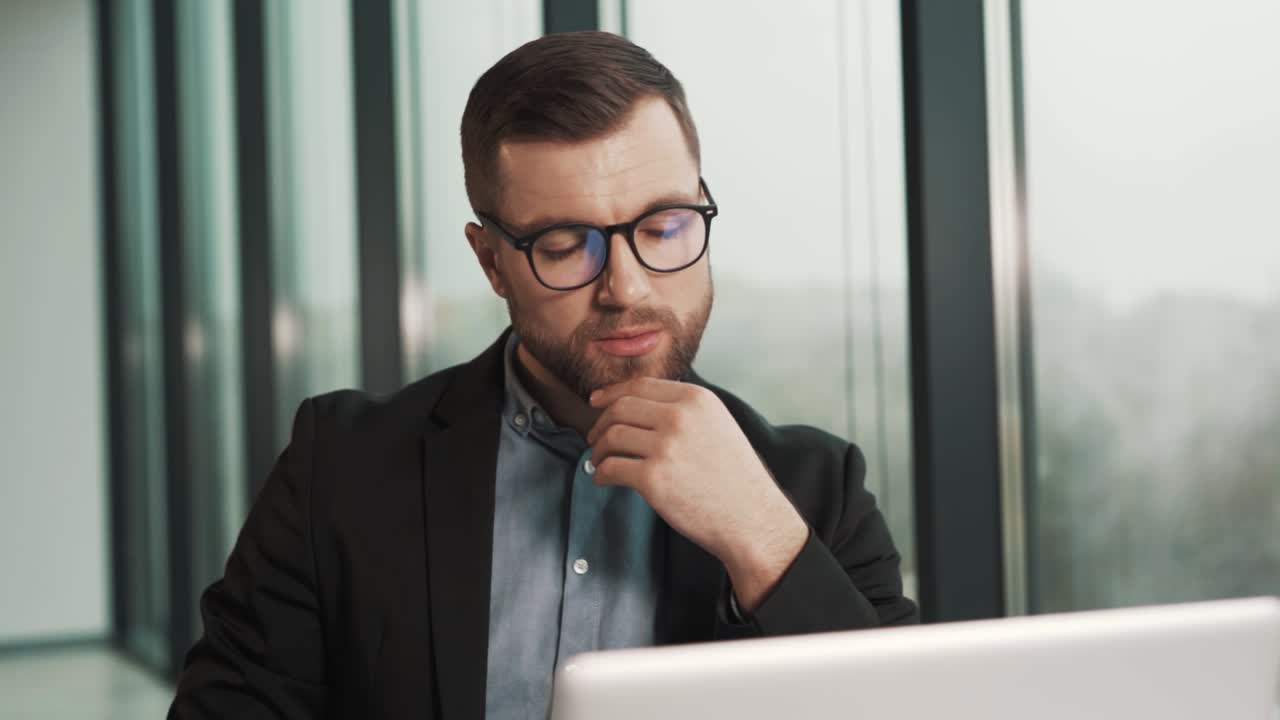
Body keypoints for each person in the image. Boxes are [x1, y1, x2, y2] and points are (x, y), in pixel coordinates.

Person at [170, 30, 916, 720]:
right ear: (491, 262)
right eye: (564, 246)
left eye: (663, 228)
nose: (626, 287)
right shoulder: (339, 467)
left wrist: (763, 541)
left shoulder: (818, 492)